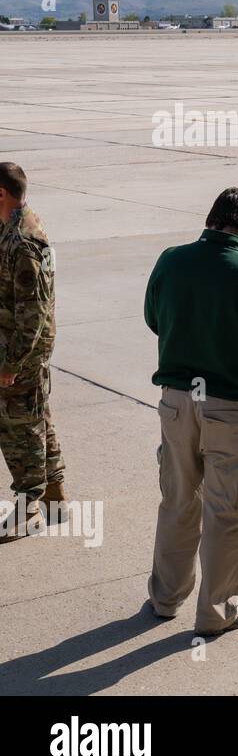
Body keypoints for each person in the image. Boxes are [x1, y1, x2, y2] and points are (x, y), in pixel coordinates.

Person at [144, 188, 238, 637]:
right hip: (230, 410)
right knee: (229, 511)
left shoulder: (171, 260)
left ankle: (166, 598)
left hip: (176, 405)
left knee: (177, 501)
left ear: (210, 219)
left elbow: (155, 318)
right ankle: (217, 611)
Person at [0, 163, 64, 544]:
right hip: (18, 349)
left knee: (18, 429)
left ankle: (28, 508)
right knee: (38, 416)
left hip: (19, 352)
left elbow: (33, 311)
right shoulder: (14, 226)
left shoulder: (23, 241)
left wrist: (11, 364)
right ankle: (54, 493)